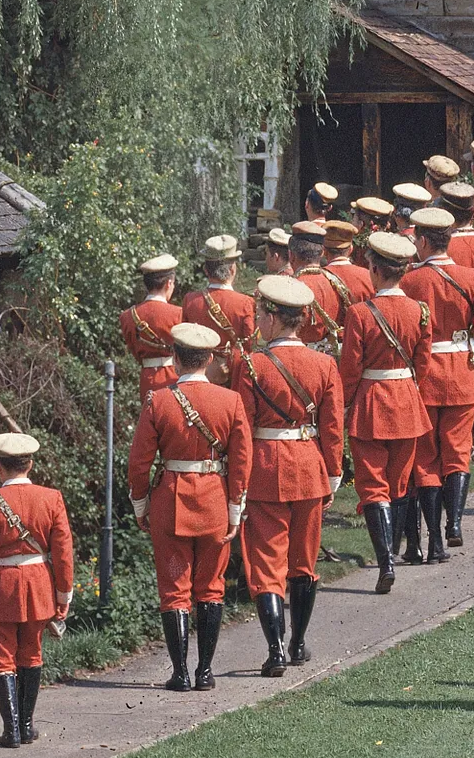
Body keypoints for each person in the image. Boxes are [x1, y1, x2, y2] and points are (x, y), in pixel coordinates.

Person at [125, 321, 249, 695]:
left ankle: (180, 673)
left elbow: (138, 463)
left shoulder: (158, 401)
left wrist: (140, 504)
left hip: (170, 502)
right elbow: (242, 460)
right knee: (211, 588)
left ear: (176, 359)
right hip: (214, 499)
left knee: (174, 590)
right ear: (210, 358)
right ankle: (206, 672)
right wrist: (235, 508)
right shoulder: (231, 401)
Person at [234, 276, 344, 672]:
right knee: (303, 561)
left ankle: (276, 649)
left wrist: (238, 482)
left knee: (266, 564)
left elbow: (242, 431)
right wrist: (333, 473)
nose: (258, 320)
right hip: (309, 466)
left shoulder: (252, 365)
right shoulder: (325, 363)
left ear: (275, 317)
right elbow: (332, 428)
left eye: (261, 313)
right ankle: (297, 643)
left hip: (265, 468)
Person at [0, 428, 73, 742]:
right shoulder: (52, 498)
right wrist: (64, 596)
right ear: (29, 464)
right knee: (32, 654)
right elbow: (63, 552)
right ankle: (27, 726)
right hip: (40, 586)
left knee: (2, 658)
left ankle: (12, 729)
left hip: (1, 587)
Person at [342, 233, 434, 585]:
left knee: (372, 486)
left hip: (371, 402)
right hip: (407, 400)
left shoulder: (359, 314)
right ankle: (391, 556)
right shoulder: (419, 310)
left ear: (375, 270)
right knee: (398, 484)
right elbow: (423, 364)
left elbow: (350, 368)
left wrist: (345, 404)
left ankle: (386, 563)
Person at [407, 205, 474, 551]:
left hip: (424, 377)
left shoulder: (410, 280)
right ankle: (454, 522)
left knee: (426, 458)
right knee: (457, 453)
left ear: (424, 241)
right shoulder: (469, 277)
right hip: (462, 372)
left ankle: (435, 537)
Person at [117, 251, 186, 393]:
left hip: (147, 379)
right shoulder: (179, 314)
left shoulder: (127, 316)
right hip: (174, 378)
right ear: (169, 283)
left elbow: (135, 351)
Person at [191, 234, 257, 365]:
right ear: (233, 269)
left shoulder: (190, 301)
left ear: (206, 270)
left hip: (201, 371)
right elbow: (250, 344)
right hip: (236, 372)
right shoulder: (245, 303)